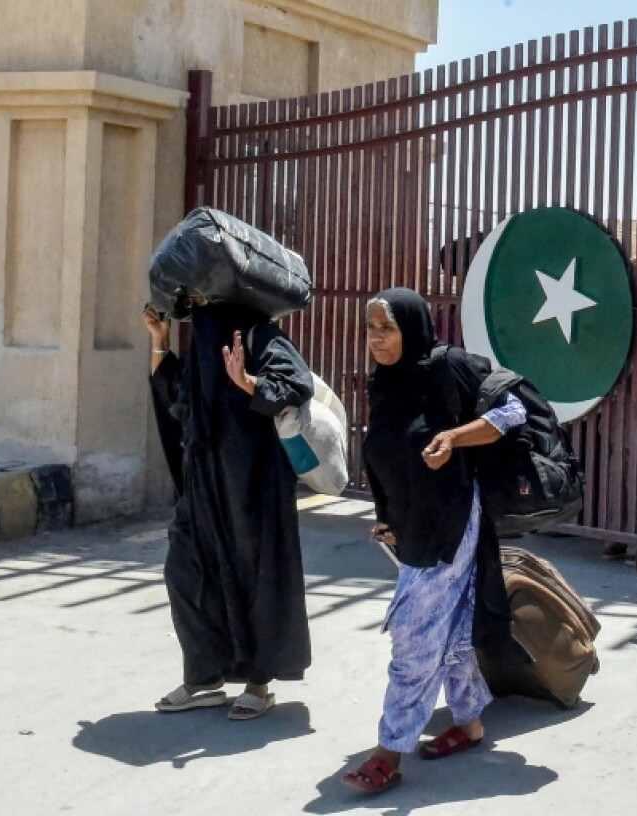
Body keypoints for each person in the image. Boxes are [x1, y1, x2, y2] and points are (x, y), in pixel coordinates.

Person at [344, 287, 529, 795]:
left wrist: (454, 437)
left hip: (451, 519)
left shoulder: (449, 366)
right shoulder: (384, 380)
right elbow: (385, 451)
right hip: (411, 524)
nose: (377, 339)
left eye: (387, 328)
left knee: (415, 632)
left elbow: (513, 412)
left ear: (411, 328)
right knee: (450, 624)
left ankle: (389, 750)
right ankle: (469, 723)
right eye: (371, 328)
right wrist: (386, 515)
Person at [144, 297, 312, 721]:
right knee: (185, 571)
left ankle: (259, 681)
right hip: (202, 483)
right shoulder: (205, 345)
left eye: (206, 299)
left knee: (255, 577)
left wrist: (248, 382)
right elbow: (175, 395)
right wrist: (160, 342)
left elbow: (295, 384)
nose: (200, 307)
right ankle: (204, 677)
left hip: (251, 484)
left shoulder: (259, 336)